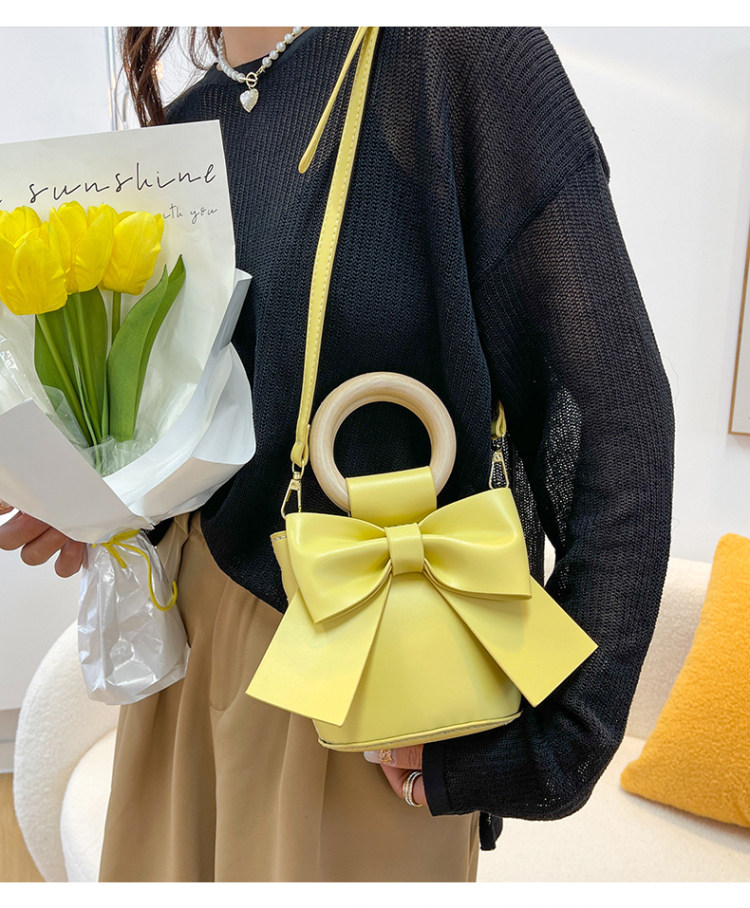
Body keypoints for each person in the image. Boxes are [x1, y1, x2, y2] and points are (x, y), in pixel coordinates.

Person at [0, 25, 675, 882]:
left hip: (367, 676)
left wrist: (555, 742)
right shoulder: (192, 120)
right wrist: (109, 498)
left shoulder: (453, 57)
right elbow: (214, 405)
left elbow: (620, 427)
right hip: (182, 648)